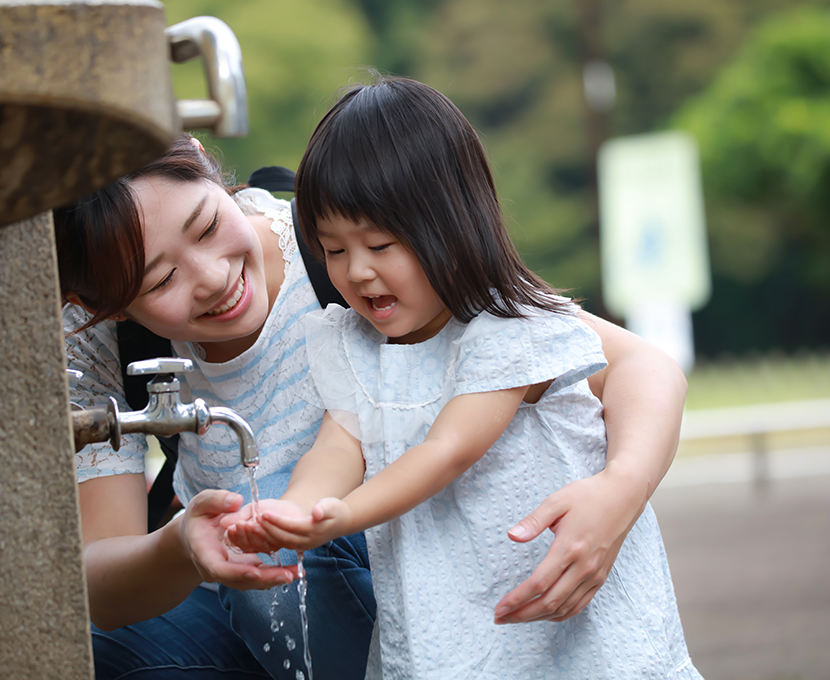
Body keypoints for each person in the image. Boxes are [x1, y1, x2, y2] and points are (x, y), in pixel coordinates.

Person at [54, 121, 688, 677]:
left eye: (208, 225)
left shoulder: (342, 250)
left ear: (203, 162)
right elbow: (102, 584)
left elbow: (635, 364)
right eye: (162, 278)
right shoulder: (100, 342)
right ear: (97, 304)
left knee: (294, 524)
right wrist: (181, 545)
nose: (214, 277)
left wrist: (618, 492)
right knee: (84, 644)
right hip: (255, 593)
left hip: (404, 563)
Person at [223, 76, 701, 680]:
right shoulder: (353, 343)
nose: (358, 271)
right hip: (446, 628)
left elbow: (450, 448)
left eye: (381, 243)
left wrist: (343, 517)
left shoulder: (506, 327)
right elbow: (338, 445)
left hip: (571, 631)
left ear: (452, 225)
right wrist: (294, 511)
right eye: (334, 250)